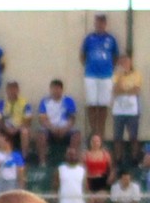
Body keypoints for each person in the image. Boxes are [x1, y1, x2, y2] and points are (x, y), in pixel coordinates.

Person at [80, 15, 119, 143]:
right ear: (95, 23)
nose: (100, 25)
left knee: (103, 105)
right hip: (91, 75)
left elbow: (115, 56)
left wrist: (109, 68)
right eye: (97, 22)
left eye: (102, 23)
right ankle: (93, 131)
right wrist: (89, 66)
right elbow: (82, 55)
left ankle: (100, 133)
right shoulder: (89, 38)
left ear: (105, 24)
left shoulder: (111, 39)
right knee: (92, 104)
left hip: (106, 76)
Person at [35, 79, 79, 166]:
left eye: (58, 88)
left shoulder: (68, 100)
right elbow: (42, 120)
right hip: (49, 128)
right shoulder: (45, 101)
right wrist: (52, 128)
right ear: (50, 89)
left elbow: (72, 119)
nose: (55, 91)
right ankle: (42, 162)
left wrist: (65, 129)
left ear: (62, 90)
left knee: (77, 134)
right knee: (40, 134)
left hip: (65, 128)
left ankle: (71, 161)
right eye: (53, 88)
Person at [110, 53, 141, 173]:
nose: (124, 64)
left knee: (133, 136)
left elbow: (136, 90)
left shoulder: (136, 74)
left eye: (126, 62)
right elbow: (115, 90)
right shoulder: (116, 75)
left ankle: (134, 159)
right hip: (118, 110)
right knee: (118, 137)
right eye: (122, 62)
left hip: (132, 110)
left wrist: (123, 90)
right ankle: (118, 159)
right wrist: (125, 87)